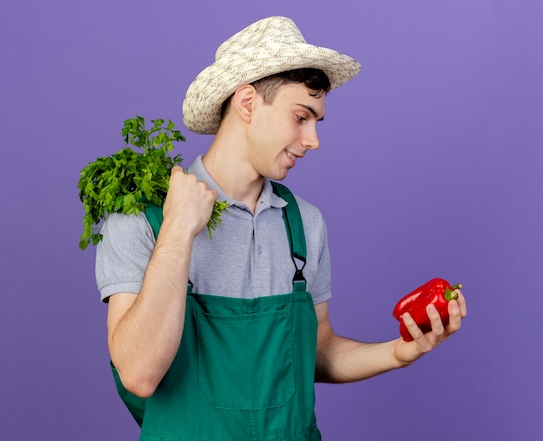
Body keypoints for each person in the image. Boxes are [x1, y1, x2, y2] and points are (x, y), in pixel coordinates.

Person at [95, 16, 467, 440]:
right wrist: (178, 230)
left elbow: (317, 351)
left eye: (316, 122)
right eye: (301, 116)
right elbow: (139, 375)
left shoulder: (304, 224)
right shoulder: (143, 218)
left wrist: (400, 353)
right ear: (248, 103)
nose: (313, 140)